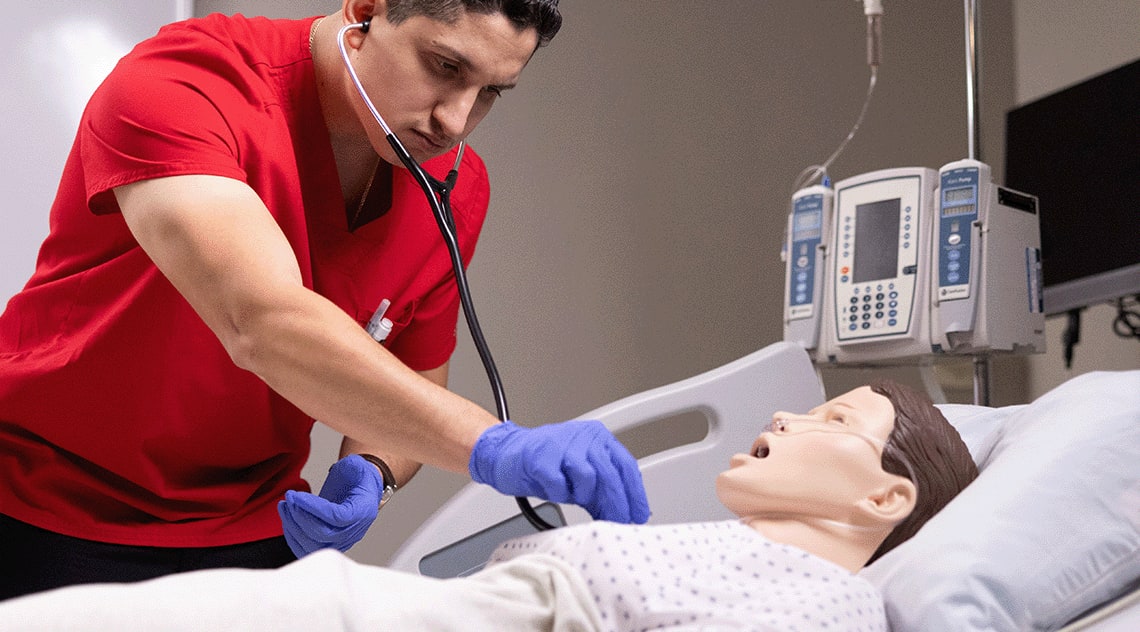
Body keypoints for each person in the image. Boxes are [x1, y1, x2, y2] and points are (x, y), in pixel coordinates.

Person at [0, 0, 648, 601]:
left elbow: (415, 377)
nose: (456, 120)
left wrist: (373, 466)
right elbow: (262, 321)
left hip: (250, 524)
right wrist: (494, 447)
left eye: (491, 92)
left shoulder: (453, 189)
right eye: (444, 67)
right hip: (45, 509)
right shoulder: (179, 88)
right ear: (364, 10)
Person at [0, 380, 980, 630]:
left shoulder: (831, 603)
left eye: (832, 415)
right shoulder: (754, 555)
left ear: (886, 493)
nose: (784, 413)